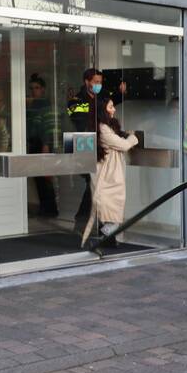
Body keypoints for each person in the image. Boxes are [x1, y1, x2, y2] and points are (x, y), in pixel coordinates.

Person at [67, 69, 126, 234]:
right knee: (92, 184)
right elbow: (79, 120)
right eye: (95, 82)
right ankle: (86, 222)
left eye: (100, 82)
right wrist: (99, 115)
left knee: (95, 185)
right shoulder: (76, 100)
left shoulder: (102, 97)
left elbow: (109, 107)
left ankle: (97, 225)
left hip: (98, 144)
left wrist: (121, 94)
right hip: (82, 143)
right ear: (86, 81)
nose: (98, 85)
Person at [80, 99, 138, 247]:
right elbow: (123, 145)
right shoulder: (103, 129)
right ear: (102, 110)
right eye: (110, 107)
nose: (114, 110)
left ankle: (108, 238)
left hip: (111, 176)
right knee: (111, 209)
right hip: (107, 178)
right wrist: (133, 137)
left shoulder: (106, 127)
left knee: (112, 209)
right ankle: (104, 236)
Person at [26, 74, 59, 217]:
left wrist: (46, 145)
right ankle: (44, 207)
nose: (34, 91)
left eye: (37, 88)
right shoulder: (31, 104)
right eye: (32, 88)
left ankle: (50, 209)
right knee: (38, 178)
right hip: (34, 143)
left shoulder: (45, 104)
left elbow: (49, 126)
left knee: (45, 178)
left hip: (43, 144)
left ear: (43, 89)